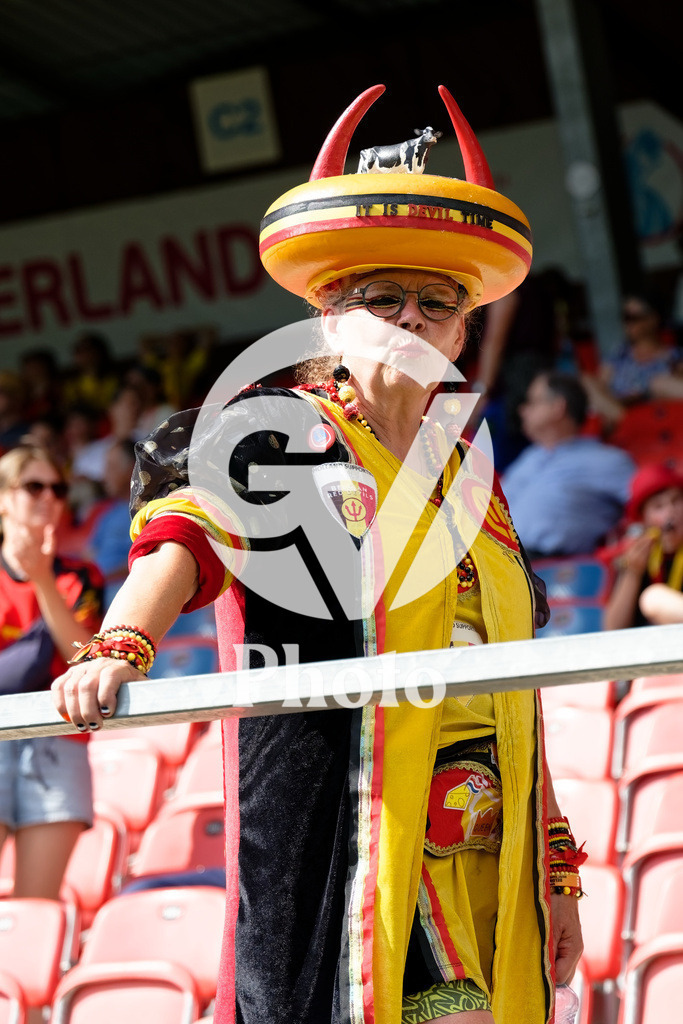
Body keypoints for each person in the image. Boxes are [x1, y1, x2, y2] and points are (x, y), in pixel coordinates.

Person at [52, 86, 583, 1024]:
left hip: (486, 843)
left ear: (463, 333)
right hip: (355, 822)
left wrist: (558, 874)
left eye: (436, 304)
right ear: (331, 322)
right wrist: (118, 644)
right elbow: (187, 533)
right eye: (382, 300)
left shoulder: (471, 478)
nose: (411, 320)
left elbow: (519, 687)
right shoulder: (282, 434)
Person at [0, 445, 103, 899]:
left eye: (58, 488)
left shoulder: (81, 576)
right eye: (33, 486)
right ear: (4, 497)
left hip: (60, 742)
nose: (48, 497)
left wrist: (42, 579)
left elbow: (85, 654)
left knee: (33, 912)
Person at [502, 371, 635, 558]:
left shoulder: (605, 460)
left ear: (558, 408)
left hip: (554, 571)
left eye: (532, 401)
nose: (523, 410)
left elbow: (649, 504)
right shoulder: (528, 458)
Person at [581, 295, 683, 428]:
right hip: (619, 410)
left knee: (659, 383)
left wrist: (645, 394)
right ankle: (630, 425)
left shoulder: (674, 355)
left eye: (633, 318)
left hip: (656, 409)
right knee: (587, 380)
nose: (628, 323)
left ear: (653, 318)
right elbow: (601, 388)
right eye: (625, 317)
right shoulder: (619, 355)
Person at [603, 463, 683, 630]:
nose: (671, 512)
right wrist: (633, 572)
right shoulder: (636, 557)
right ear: (645, 521)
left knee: (653, 598)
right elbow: (613, 629)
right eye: (658, 506)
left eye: (676, 501)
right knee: (653, 598)